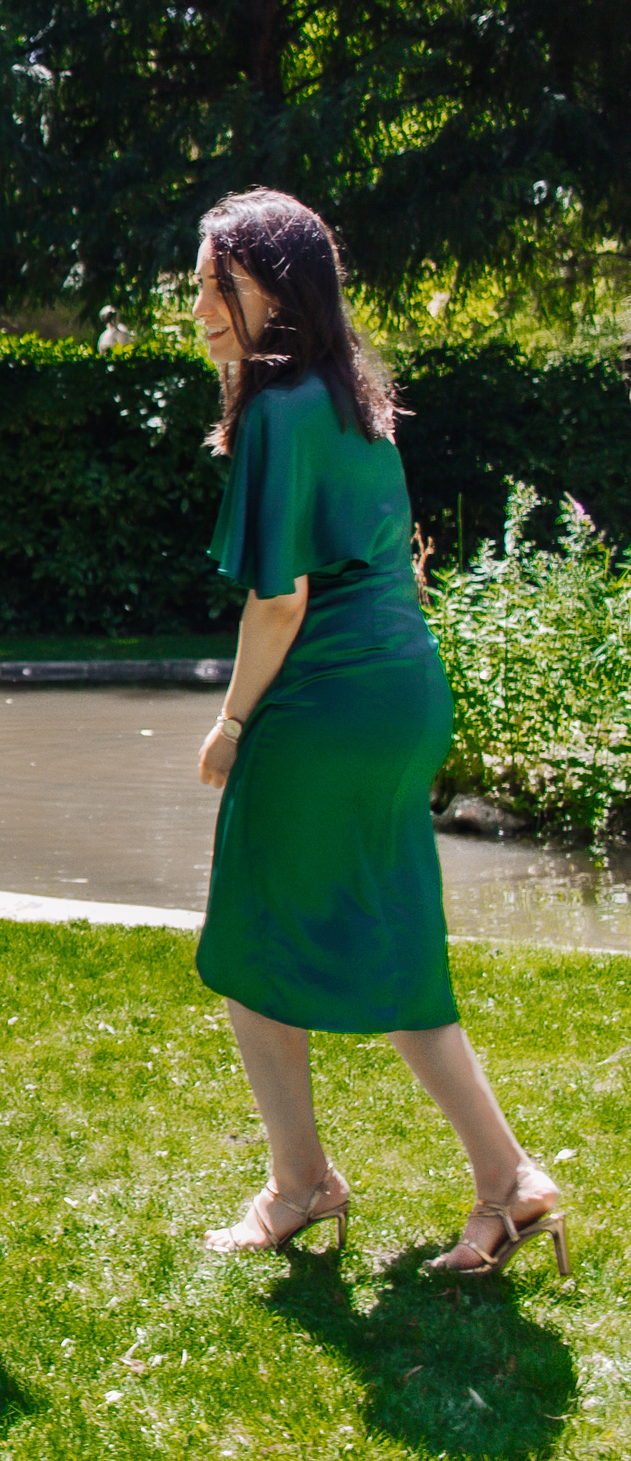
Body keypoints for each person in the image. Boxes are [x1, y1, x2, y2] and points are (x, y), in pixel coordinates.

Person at [186, 190, 564, 1275]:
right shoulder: (349, 397)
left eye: (220, 282)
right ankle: (506, 1184)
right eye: (199, 285)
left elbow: (278, 600)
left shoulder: (276, 408)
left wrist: (229, 721)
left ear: (275, 284)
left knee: (253, 938)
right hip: (400, 688)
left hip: (325, 699)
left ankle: (303, 1185)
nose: (202, 305)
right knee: (391, 931)